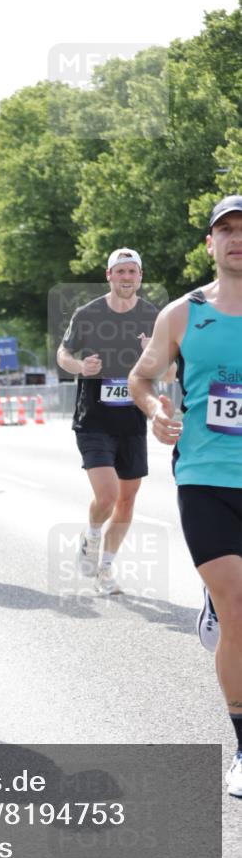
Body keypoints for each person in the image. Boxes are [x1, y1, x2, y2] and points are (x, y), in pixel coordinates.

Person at [129, 195, 242, 798]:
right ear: (209, 243)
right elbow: (141, 376)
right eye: (226, 231)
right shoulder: (184, 313)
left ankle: (218, 606)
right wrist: (153, 409)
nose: (236, 239)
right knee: (240, 603)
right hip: (205, 476)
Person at [56, 248, 173, 595]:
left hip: (132, 420)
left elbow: (170, 371)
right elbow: (64, 353)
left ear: (140, 276)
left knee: (127, 499)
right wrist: (79, 367)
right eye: (120, 271)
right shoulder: (88, 314)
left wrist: (152, 353)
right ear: (109, 276)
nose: (126, 277)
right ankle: (91, 536)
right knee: (107, 496)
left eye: (132, 271)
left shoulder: (155, 317)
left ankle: (106, 567)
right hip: (93, 418)